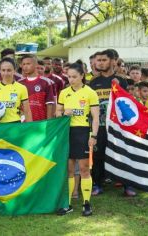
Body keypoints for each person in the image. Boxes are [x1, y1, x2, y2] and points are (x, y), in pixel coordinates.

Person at [89, 49, 137, 197]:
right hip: (100, 126)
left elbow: (126, 102)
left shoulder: (121, 80)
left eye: (104, 60)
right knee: (98, 155)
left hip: (117, 126)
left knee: (121, 153)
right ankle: (97, 184)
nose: (100, 63)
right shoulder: (93, 82)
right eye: (98, 60)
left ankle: (127, 185)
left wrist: (117, 86)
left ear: (112, 61)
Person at [56, 63, 99, 216]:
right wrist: (64, 113)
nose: (72, 80)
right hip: (67, 133)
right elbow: (57, 114)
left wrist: (93, 135)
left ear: (82, 76)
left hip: (82, 133)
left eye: (74, 76)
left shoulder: (90, 93)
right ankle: (67, 204)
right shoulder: (63, 93)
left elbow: (95, 118)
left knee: (84, 169)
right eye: (69, 77)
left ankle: (86, 203)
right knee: (69, 170)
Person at [0, 57, 32, 123]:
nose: (6, 73)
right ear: (0, 71)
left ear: (14, 70)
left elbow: (27, 111)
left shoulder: (22, 88)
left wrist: (31, 128)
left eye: (9, 70)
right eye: (3, 70)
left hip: (14, 126)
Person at [18, 54, 55, 121]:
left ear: (36, 65)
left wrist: (49, 122)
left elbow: (50, 105)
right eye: (23, 64)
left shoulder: (46, 82)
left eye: (28, 64)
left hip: (40, 123)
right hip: (24, 124)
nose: (25, 66)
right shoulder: (19, 83)